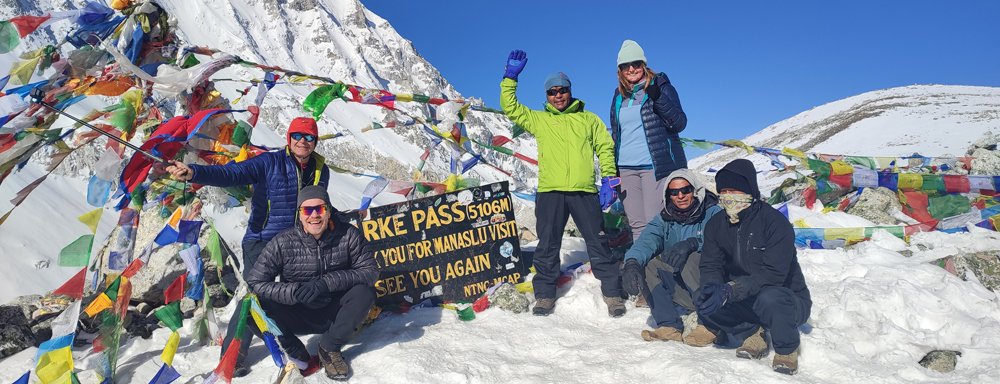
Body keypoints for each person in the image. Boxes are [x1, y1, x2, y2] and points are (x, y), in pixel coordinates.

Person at [500, 49, 624, 317]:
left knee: (598, 242)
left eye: (562, 90)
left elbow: (605, 148)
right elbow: (510, 107)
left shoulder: (589, 119)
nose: (558, 96)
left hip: (584, 192)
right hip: (551, 192)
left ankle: (613, 293)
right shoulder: (539, 119)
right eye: (552, 92)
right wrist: (510, 77)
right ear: (546, 96)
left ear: (570, 91)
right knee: (547, 245)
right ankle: (544, 295)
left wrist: (609, 179)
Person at [222, 185, 378, 380]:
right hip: (295, 313)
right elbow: (256, 281)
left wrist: (325, 283)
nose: (314, 215)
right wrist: (292, 292)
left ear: (329, 211)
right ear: (300, 214)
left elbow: (370, 272)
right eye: (307, 210)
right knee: (252, 303)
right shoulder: (283, 242)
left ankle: (329, 347)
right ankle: (293, 349)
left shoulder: (349, 235)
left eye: (320, 208)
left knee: (365, 293)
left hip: (333, 312)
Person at [165, 117, 331, 279]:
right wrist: (194, 173)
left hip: (300, 244)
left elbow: (321, 205)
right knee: (258, 289)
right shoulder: (269, 162)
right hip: (263, 240)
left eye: (309, 137)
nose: (302, 141)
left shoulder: (321, 170)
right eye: (296, 135)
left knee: (303, 296)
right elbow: (231, 173)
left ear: (315, 141)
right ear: (289, 138)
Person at [696, 159, 812, 375]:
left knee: (771, 297)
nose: (729, 196)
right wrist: (712, 286)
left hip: (787, 300)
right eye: (724, 190)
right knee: (702, 298)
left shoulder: (774, 223)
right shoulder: (716, 224)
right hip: (745, 299)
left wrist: (732, 289)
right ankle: (752, 333)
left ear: (749, 189)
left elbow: (774, 274)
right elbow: (711, 263)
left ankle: (786, 349)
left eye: (735, 189)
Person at [621, 169, 722, 345]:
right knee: (650, 264)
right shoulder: (664, 218)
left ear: (696, 190)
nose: (680, 195)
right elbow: (646, 241)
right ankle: (669, 326)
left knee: (691, 259)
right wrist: (631, 263)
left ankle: (711, 325)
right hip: (687, 291)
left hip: (716, 292)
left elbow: (725, 243)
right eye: (674, 192)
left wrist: (695, 243)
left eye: (685, 190)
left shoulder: (713, 213)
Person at [608, 40, 688, 242]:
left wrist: (659, 98)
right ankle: (642, 269)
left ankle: (663, 269)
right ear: (620, 70)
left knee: (655, 221)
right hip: (626, 169)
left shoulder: (661, 86)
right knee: (636, 224)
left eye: (635, 63)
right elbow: (617, 135)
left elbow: (679, 123)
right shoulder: (619, 96)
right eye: (626, 65)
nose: (631, 69)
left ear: (643, 64)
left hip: (655, 166)